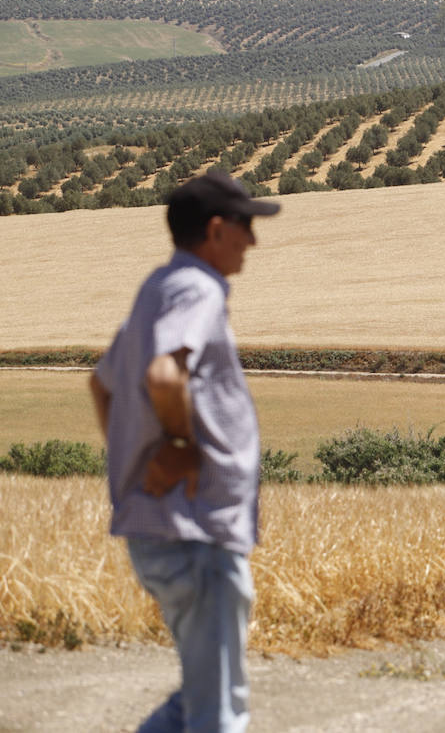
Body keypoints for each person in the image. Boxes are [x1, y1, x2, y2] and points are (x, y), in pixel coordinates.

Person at [89, 170, 280, 733]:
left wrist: (139, 458)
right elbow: (165, 375)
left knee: (196, 699)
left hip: (159, 529)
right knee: (219, 711)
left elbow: (102, 385)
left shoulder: (158, 287)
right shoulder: (198, 289)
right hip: (194, 532)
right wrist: (178, 447)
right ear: (217, 230)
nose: (253, 241)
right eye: (246, 226)